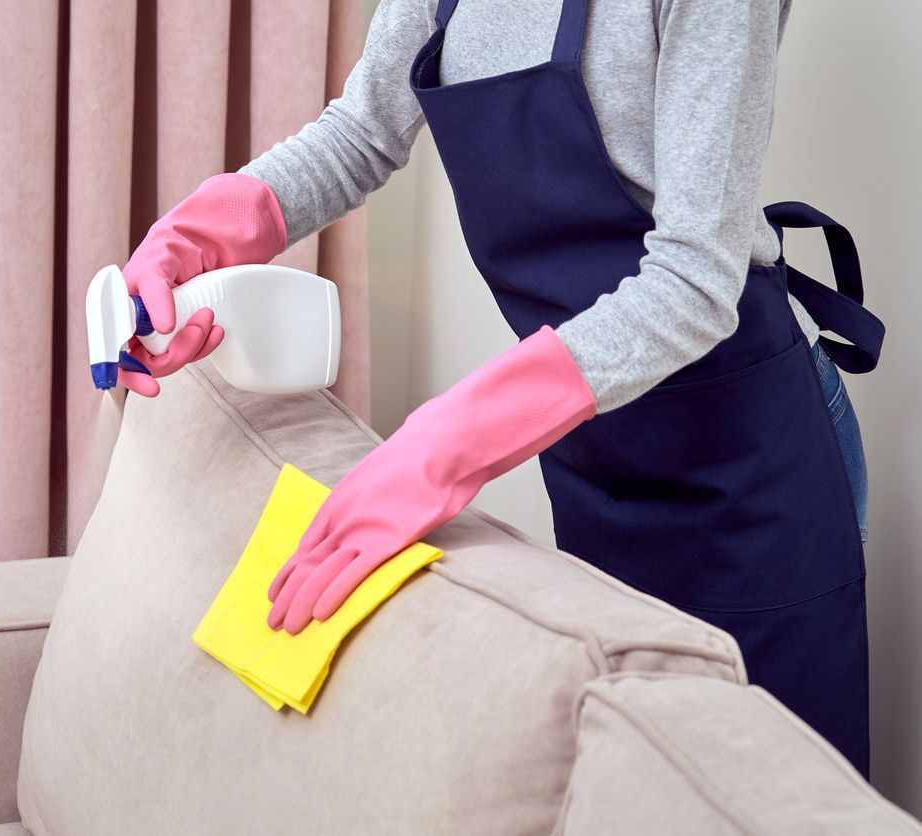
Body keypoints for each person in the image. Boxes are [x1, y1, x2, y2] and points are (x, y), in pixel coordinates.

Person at [117, 0, 884, 775]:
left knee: (764, 794)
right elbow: (363, 133)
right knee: (633, 783)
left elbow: (695, 282)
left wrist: (449, 440)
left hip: (747, 469)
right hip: (594, 452)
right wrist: (209, 228)